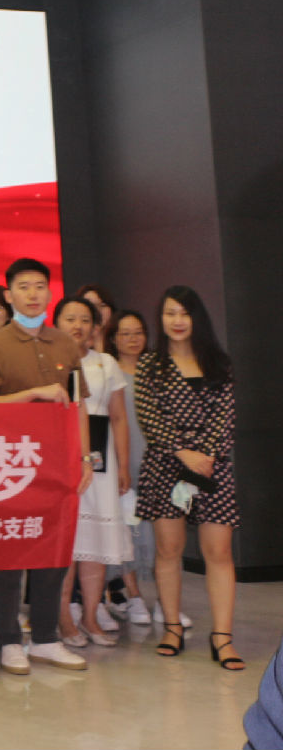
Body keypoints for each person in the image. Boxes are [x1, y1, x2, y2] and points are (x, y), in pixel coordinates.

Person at [0, 257, 92, 676]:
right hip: (8, 463)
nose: (33, 294)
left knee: (53, 551)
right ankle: (8, 639)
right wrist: (34, 394)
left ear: (50, 292)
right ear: (8, 295)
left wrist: (85, 458)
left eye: (40, 286)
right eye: (23, 287)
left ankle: (45, 638)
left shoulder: (64, 343)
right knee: (11, 551)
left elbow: (78, 406)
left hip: (57, 462)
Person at [133, 285, 243, 670]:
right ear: (160, 318)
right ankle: (172, 628)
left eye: (184, 313)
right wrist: (184, 453)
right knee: (168, 550)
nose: (177, 321)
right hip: (167, 463)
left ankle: (222, 638)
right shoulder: (150, 365)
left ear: (197, 318)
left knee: (219, 552)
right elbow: (149, 416)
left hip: (213, 466)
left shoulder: (219, 363)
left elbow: (225, 415)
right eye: (170, 313)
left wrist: (205, 455)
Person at [51, 295, 130, 649]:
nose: (78, 326)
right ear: (56, 323)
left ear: (95, 327)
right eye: (70, 318)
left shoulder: (106, 363)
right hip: (62, 457)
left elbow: (119, 418)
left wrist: (124, 465)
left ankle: (91, 617)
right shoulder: (51, 362)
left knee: (96, 543)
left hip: (101, 461)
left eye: (85, 319)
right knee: (67, 543)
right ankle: (63, 619)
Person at [105, 308, 154, 626]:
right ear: (114, 338)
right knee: (127, 532)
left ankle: (165, 601)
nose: (133, 339)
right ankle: (133, 596)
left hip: (155, 464)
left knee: (158, 537)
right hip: (123, 462)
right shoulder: (110, 373)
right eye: (125, 333)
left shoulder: (156, 374)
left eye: (138, 333)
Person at [78, 283, 116, 354]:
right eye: (91, 306)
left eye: (102, 305)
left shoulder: (119, 343)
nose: (97, 310)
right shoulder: (71, 346)